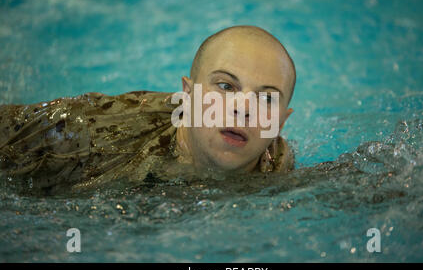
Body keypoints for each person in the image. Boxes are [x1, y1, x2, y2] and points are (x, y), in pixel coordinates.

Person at [0, 25, 297, 195]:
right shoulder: (90, 135)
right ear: (188, 94)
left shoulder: (278, 171)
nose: (243, 110)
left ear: (281, 122)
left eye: (266, 99)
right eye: (226, 87)